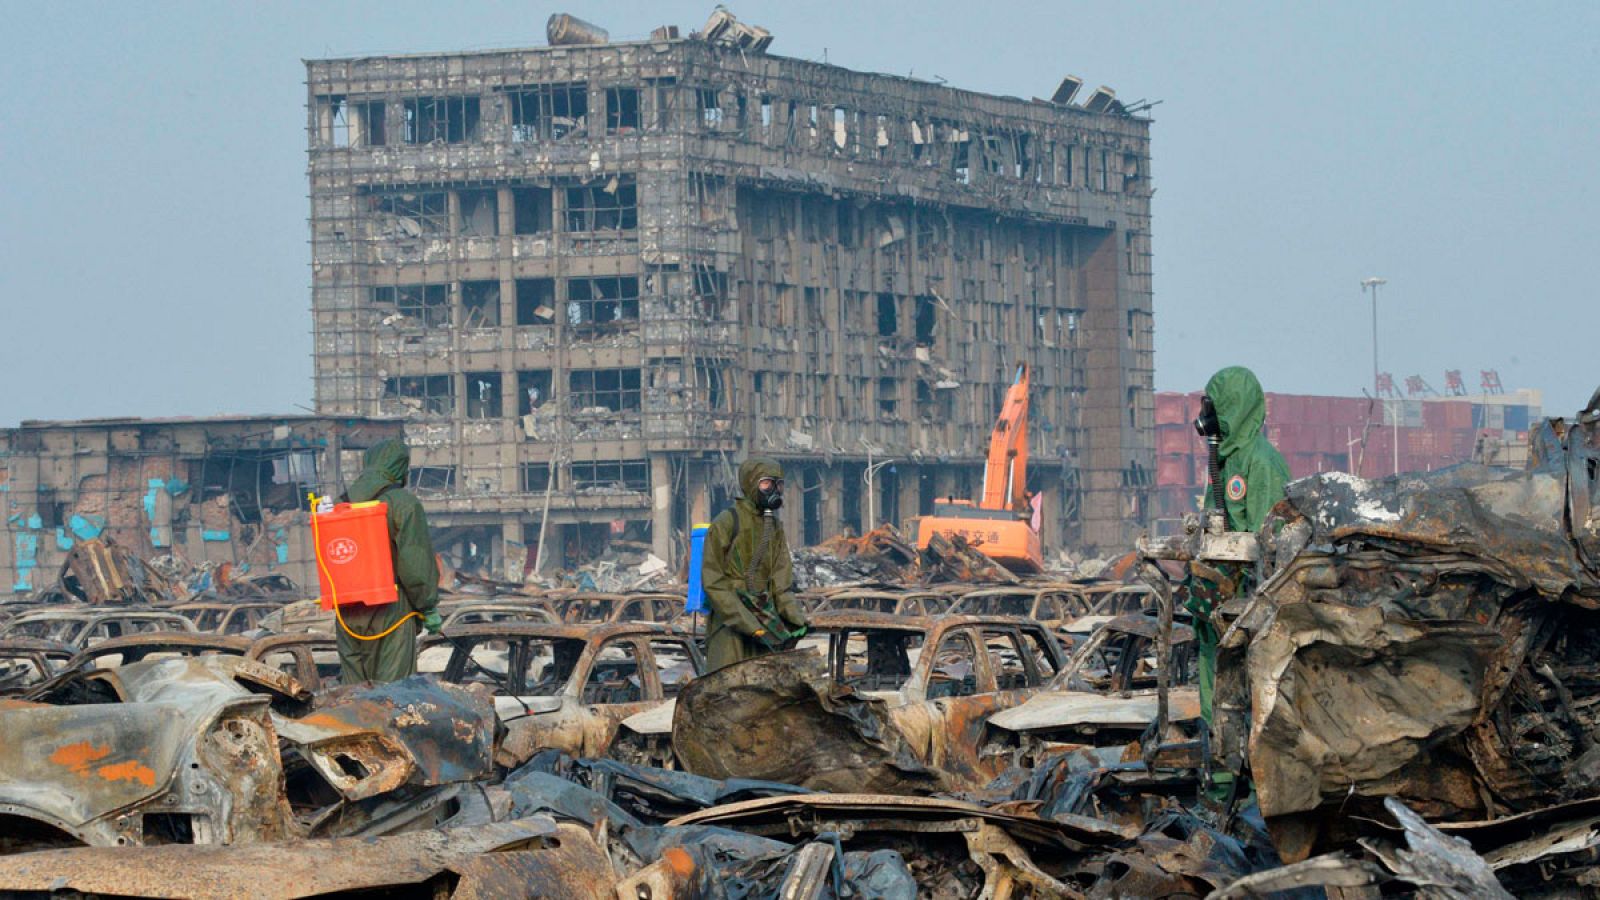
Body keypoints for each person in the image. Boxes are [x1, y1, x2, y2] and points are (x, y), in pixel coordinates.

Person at [1185, 367, 1289, 786]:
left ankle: (1245, 793)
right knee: (1215, 699)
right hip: (1217, 608)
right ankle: (1220, 784)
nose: (1206, 416)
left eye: (1213, 407)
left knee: (1246, 700)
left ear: (1234, 408)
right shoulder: (1225, 463)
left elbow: (1273, 542)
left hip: (1247, 611)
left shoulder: (1260, 463)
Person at [332, 438, 444, 683]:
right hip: (392, 611)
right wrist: (428, 607)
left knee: (353, 696)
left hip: (347, 614)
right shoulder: (403, 503)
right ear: (400, 467)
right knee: (394, 694)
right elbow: (415, 564)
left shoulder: (340, 504)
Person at [701, 458, 808, 672]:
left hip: (764, 621)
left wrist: (797, 619)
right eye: (766, 483)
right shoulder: (727, 521)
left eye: (778, 484)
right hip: (730, 627)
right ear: (750, 483)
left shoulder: (774, 527)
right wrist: (747, 624)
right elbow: (713, 582)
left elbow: (781, 585)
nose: (774, 490)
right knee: (730, 682)